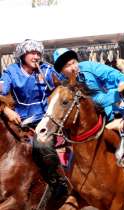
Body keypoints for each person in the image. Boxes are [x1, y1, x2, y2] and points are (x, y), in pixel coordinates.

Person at [0, 39, 70, 199]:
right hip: (19, 120)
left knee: (41, 145)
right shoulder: (11, 71)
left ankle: (57, 181)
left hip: (46, 120)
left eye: (38, 53)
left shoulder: (46, 70)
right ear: (23, 55)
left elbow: (64, 87)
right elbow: (1, 92)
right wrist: (6, 110)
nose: (36, 56)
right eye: (32, 53)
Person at [53, 48, 124, 130]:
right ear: (61, 71)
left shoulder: (89, 67)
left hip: (112, 108)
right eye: (68, 66)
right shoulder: (62, 85)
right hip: (85, 117)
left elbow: (110, 74)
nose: (73, 68)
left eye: (74, 62)